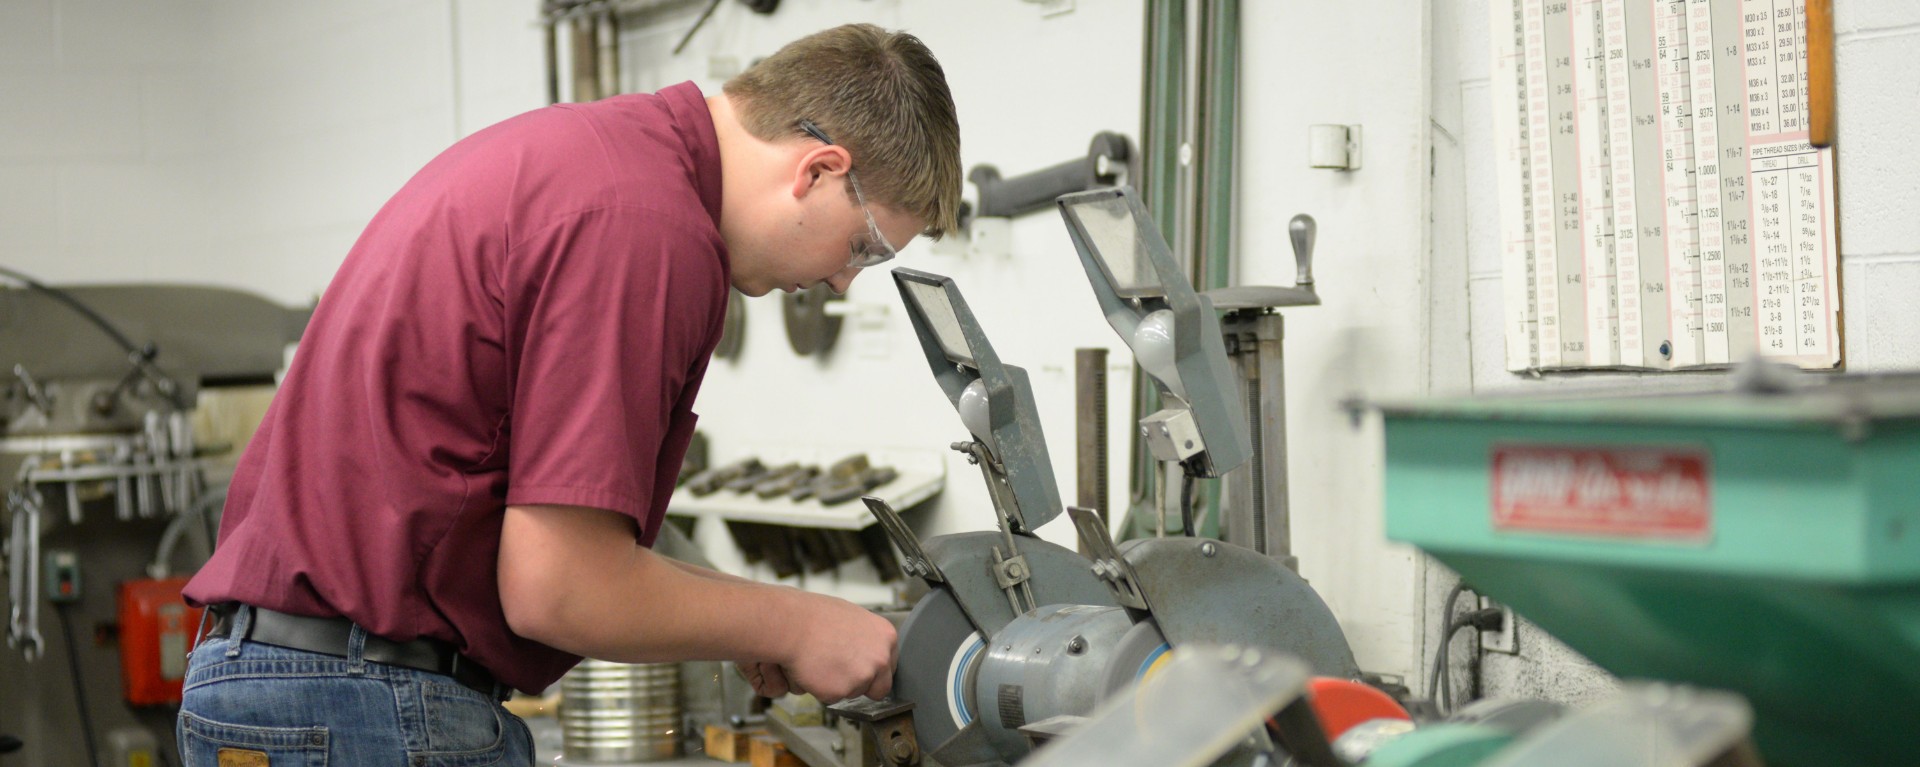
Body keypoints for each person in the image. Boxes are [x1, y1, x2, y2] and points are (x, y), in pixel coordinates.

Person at [176, 22, 962, 766]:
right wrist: (796, 622)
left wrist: (751, 616)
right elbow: (559, 588)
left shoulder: (603, 161)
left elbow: (576, 559)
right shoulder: (649, 228)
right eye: (864, 245)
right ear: (818, 169)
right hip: (362, 703)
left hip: (290, 684)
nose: (842, 280)